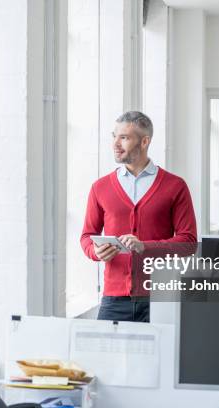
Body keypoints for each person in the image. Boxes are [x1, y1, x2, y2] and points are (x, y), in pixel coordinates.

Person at [80, 111, 197, 322]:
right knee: (103, 356)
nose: (115, 143)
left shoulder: (175, 186)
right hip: (113, 300)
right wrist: (96, 251)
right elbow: (87, 236)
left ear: (144, 141)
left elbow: (188, 243)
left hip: (161, 298)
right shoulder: (100, 188)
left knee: (163, 356)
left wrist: (145, 246)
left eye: (124, 138)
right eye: (114, 136)